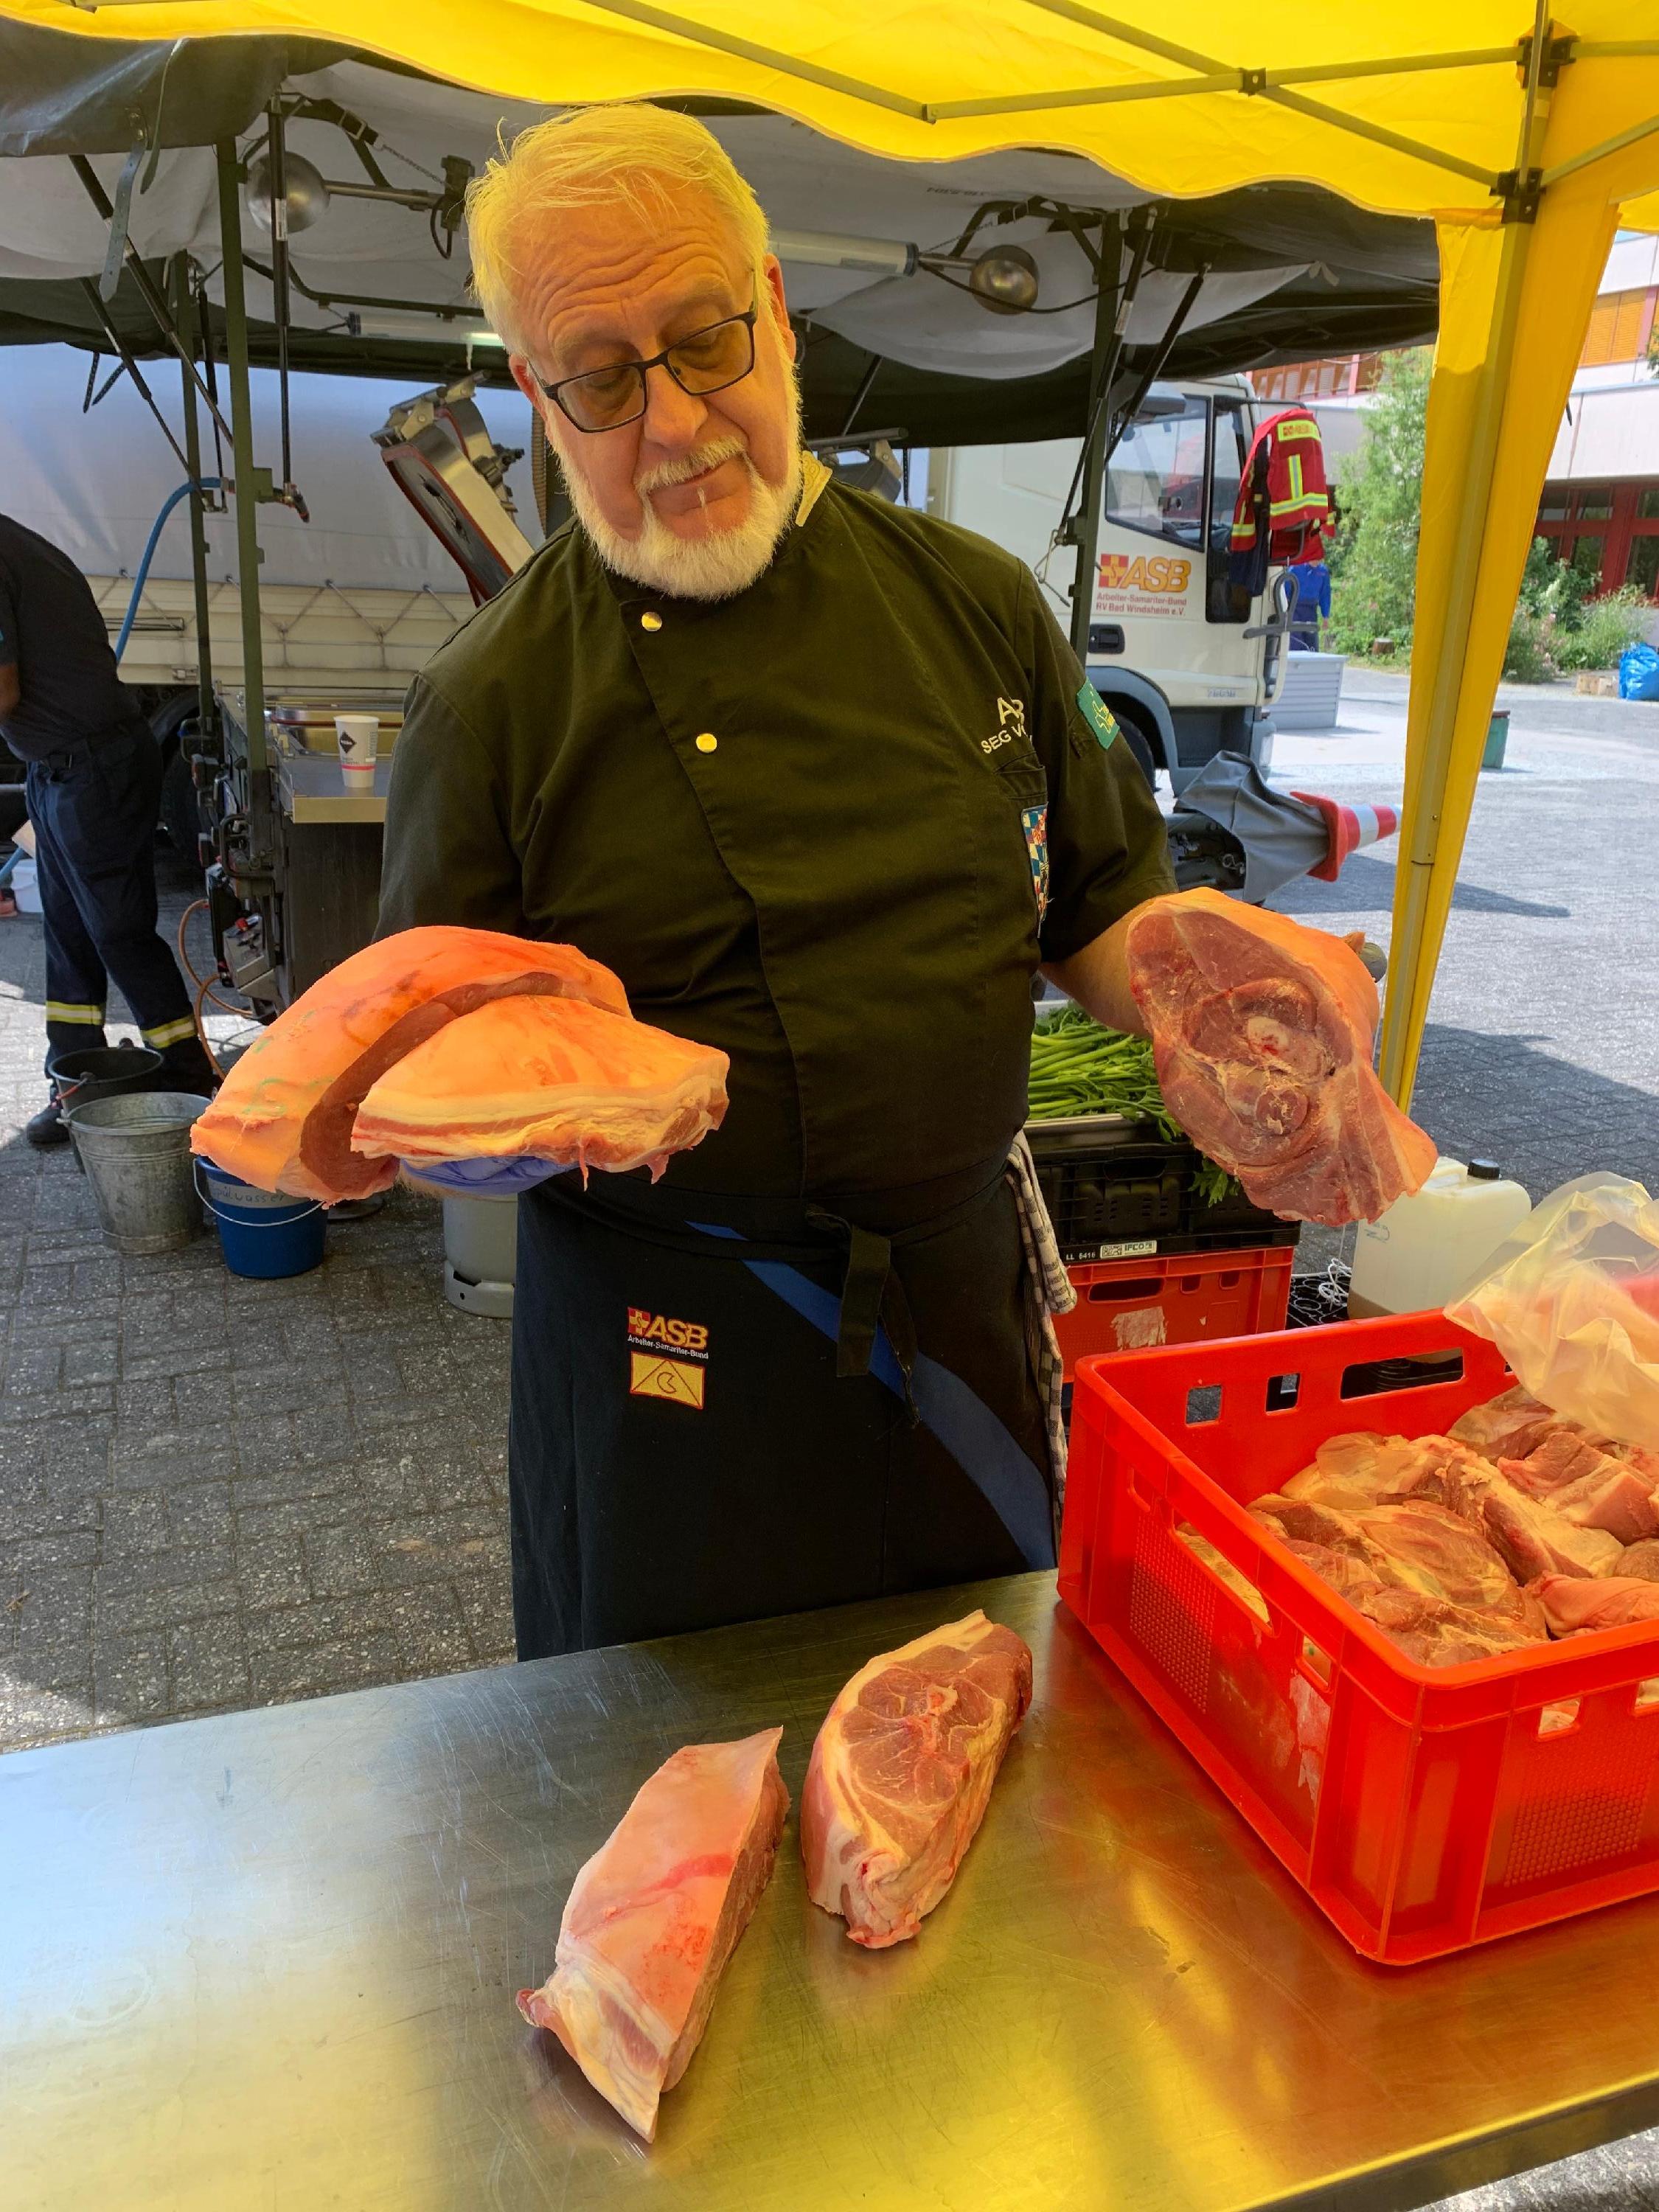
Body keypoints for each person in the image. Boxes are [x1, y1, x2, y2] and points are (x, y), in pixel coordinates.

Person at [374, 108, 1180, 1655]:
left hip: (954, 1321)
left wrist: (1218, 1002)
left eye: (701, 340)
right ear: (542, 402)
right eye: (604, 378)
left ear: (779, 322)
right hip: (667, 1362)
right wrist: (491, 1124)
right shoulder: (492, 703)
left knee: (985, 1747)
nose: (673, 421)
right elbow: (421, 1092)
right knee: (670, 1789)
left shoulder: (980, 606)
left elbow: (1102, 909)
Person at [0, 512, 215, 1141]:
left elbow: (3, 693)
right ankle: (76, 1078)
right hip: (60, 766)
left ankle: (187, 1076)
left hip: (92, 765)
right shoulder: (21, 542)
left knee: (116, 931)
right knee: (68, 932)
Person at [1287, 553, 1332, 650]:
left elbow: (1325, 595)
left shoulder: (1323, 572)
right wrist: (1285, 610)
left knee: (1312, 643)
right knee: (1296, 643)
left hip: (1311, 611)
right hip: (1295, 609)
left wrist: (1325, 616)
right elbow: (1286, 590)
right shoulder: (1295, 568)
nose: (1317, 561)